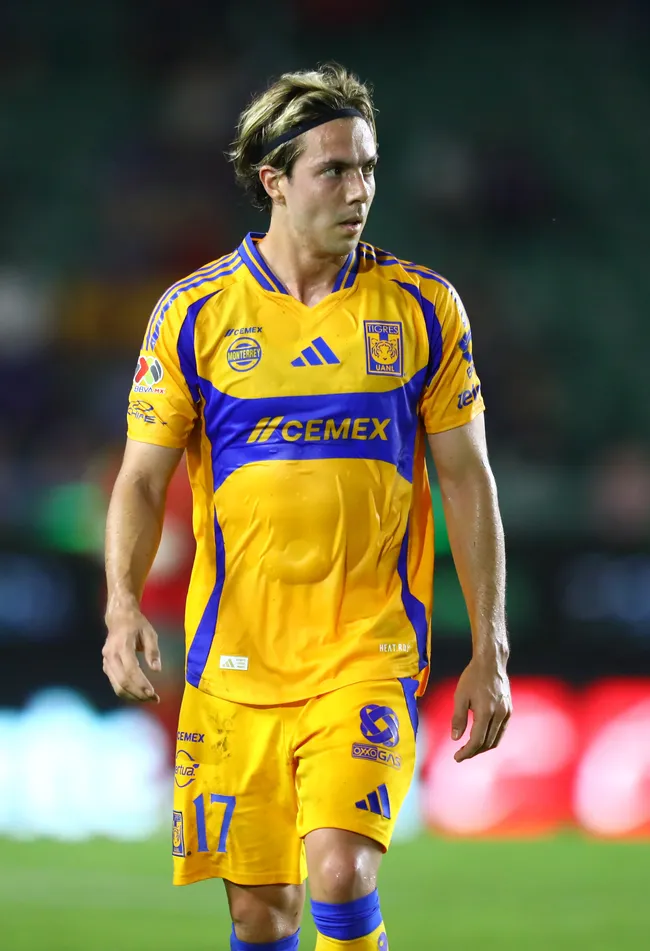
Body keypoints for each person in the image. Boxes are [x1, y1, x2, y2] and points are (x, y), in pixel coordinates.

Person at [103, 63, 511, 951]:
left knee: (341, 869)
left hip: (368, 648)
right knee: (262, 912)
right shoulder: (194, 313)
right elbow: (141, 480)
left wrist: (491, 645)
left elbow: (468, 481)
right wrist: (122, 605)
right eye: (334, 169)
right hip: (236, 659)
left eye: (368, 167)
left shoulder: (424, 309)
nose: (358, 190)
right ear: (274, 180)